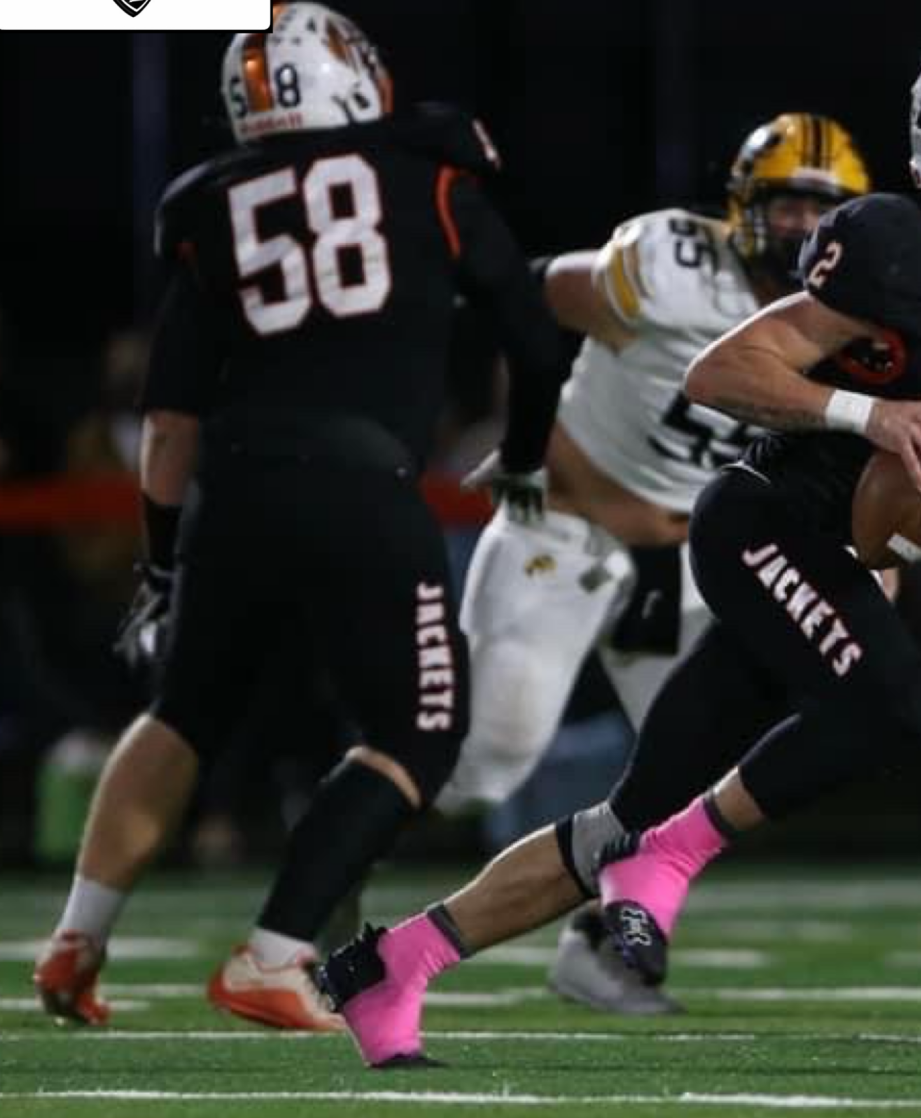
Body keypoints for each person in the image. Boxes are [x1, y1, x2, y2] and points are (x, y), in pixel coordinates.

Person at [314, 32, 921, 1068]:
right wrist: (872, 416)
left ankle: (390, 964)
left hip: (838, 554)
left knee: (621, 817)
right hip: (764, 520)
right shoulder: (897, 244)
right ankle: (670, 862)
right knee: (905, 706)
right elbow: (722, 371)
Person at [33, 1, 566, 1030]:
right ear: (354, 77)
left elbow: (169, 423)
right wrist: (528, 453)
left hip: (233, 487)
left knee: (182, 714)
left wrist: (162, 557)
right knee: (418, 729)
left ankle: (75, 938)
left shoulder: (210, 207)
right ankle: (277, 950)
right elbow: (536, 343)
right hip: (361, 483)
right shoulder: (432, 170)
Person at [433, 111, 872, 1015]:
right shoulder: (667, 269)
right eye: (784, 203)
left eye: (819, 210)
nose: (797, 226)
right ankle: (338, 861)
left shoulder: (857, 322)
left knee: (707, 778)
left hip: (693, 559)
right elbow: (520, 299)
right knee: (490, 758)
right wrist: (525, 443)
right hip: (572, 524)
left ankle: (600, 950)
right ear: (743, 205)